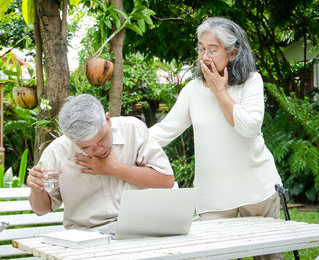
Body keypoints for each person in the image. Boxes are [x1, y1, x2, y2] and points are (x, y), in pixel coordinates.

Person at [149, 17, 283, 259]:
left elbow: (249, 127)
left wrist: (220, 91)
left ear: (232, 53)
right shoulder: (192, 90)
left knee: (269, 256)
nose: (204, 57)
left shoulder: (251, 82)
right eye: (201, 49)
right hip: (213, 196)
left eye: (212, 50)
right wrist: (123, 143)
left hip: (257, 188)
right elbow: (164, 131)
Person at [27, 94, 174, 231]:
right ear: (72, 140)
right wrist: (37, 190)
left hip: (137, 230)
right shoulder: (57, 152)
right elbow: (41, 210)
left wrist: (115, 169)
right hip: (85, 237)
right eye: (86, 147)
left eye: (102, 139)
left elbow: (166, 181)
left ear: (108, 120)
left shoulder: (133, 130)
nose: (97, 150)